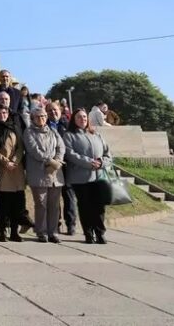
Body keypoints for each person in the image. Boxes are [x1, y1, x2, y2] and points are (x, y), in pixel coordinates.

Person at [64, 109, 111, 244]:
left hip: (98, 177)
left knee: (99, 207)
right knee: (85, 207)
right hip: (80, 178)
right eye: (79, 117)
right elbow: (70, 154)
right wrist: (89, 162)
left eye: (84, 117)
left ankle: (100, 233)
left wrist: (101, 162)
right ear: (74, 119)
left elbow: (108, 154)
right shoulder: (69, 135)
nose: (82, 119)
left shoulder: (96, 134)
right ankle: (88, 234)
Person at [24, 107, 66, 243]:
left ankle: (53, 232)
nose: (41, 118)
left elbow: (61, 147)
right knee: (41, 204)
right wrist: (50, 161)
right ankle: (41, 232)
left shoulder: (53, 131)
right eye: (37, 116)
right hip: (39, 173)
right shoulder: (29, 132)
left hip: (55, 173)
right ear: (32, 118)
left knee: (54, 205)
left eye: (43, 116)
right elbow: (34, 150)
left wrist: (58, 160)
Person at [0, 104, 25, 242]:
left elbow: (20, 147)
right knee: (3, 204)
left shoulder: (15, 128)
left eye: (5, 112)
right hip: (1, 170)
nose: (2, 115)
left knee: (16, 204)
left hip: (16, 169)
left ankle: (14, 232)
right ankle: (2, 231)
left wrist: (14, 160)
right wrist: (5, 161)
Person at [47, 102, 75, 236]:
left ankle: (71, 224)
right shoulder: (44, 125)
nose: (53, 112)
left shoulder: (68, 125)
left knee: (69, 196)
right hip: (51, 165)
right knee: (54, 198)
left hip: (67, 165)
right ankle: (55, 224)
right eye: (50, 110)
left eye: (55, 110)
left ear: (61, 110)